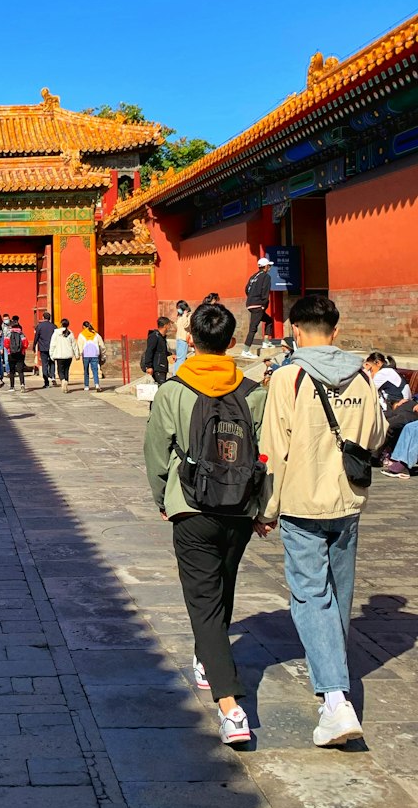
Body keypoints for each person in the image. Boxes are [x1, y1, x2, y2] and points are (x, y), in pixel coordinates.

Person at [257, 294, 387, 747]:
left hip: (301, 502)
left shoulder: (288, 377)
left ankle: (335, 699)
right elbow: (375, 436)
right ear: (335, 330)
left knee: (311, 596)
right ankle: (335, 684)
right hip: (347, 501)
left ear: (295, 329)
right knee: (340, 593)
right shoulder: (362, 377)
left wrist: (265, 509)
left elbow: (273, 448)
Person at [144, 301, 268, 746]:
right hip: (238, 507)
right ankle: (207, 657)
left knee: (203, 601)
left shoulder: (174, 391)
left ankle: (231, 707)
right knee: (224, 587)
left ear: (190, 339)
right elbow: (263, 455)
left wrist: (164, 498)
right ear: (232, 342)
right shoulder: (254, 392)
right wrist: (262, 508)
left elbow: (157, 453)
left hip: (191, 505)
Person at [240, 258, 275, 356]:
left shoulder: (253, 276)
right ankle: (245, 350)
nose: (269, 268)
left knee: (268, 320)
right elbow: (265, 291)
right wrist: (263, 304)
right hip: (258, 305)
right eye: (269, 266)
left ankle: (266, 342)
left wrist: (251, 297)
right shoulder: (266, 277)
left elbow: (247, 289)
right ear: (266, 266)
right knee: (253, 328)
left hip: (251, 303)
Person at [49, 318, 79, 392]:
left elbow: (52, 344)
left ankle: (63, 380)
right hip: (68, 355)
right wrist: (77, 354)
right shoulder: (70, 333)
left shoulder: (56, 333)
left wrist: (51, 354)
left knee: (60, 370)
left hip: (60, 355)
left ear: (61, 324)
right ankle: (66, 383)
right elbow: (74, 345)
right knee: (66, 370)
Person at [141, 317, 171, 384]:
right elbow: (149, 351)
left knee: (160, 387)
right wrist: (149, 366)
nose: (170, 327)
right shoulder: (154, 336)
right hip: (157, 367)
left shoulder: (161, 337)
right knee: (160, 387)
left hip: (162, 367)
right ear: (165, 325)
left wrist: (170, 355)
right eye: (169, 325)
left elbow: (160, 351)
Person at [33, 311, 57, 388]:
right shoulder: (54, 326)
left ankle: (46, 382)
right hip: (52, 347)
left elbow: (36, 337)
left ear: (43, 317)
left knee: (44, 364)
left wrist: (34, 345)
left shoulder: (39, 326)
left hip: (43, 347)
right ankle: (53, 376)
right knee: (52, 362)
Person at [79, 321, 104, 391]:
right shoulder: (96, 335)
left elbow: (79, 346)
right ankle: (97, 384)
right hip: (94, 355)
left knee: (86, 370)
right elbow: (102, 345)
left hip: (86, 355)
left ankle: (86, 386)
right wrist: (103, 354)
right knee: (95, 370)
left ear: (84, 327)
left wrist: (80, 353)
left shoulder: (81, 335)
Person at [7, 315, 28, 391]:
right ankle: (22, 384)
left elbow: (6, 344)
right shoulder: (21, 334)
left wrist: (10, 348)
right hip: (20, 354)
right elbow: (26, 344)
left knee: (12, 371)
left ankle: (12, 386)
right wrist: (21, 349)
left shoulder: (9, 334)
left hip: (11, 354)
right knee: (20, 370)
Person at [173, 301, 192, 373]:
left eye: (178, 308)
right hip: (178, 338)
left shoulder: (189, 315)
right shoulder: (180, 316)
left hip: (184, 339)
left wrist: (185, 315)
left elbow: (185, 325)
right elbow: (178, 326)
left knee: (181, 359)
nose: (178, 309)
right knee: (177, 358)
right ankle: (175, 373)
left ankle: (177, 374)